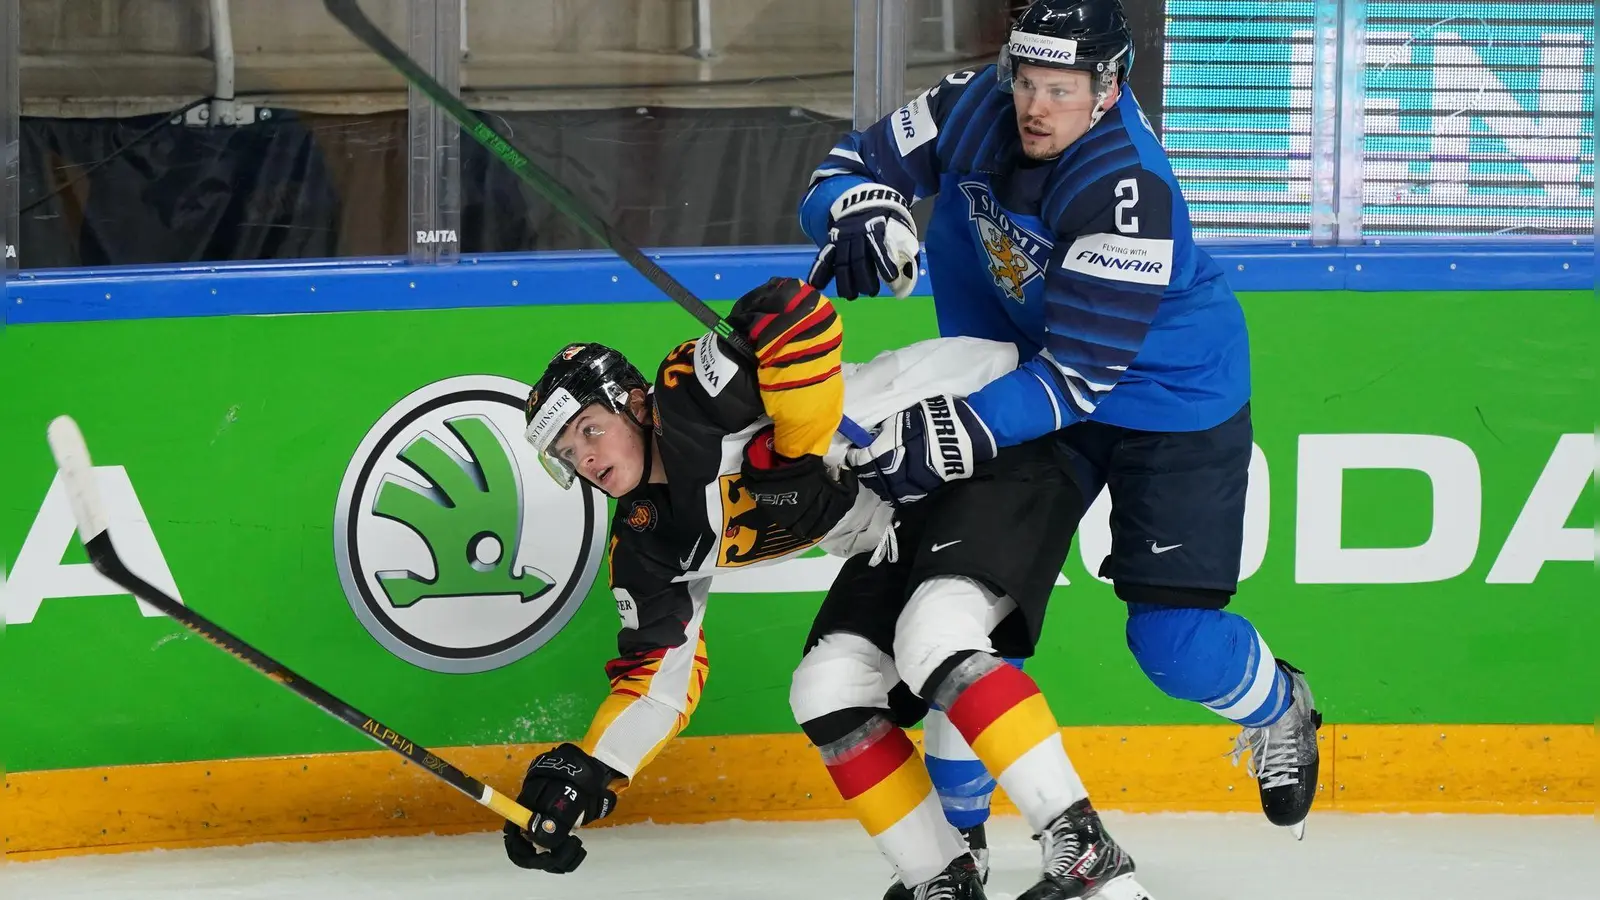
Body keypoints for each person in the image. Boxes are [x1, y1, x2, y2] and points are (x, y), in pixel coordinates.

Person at [798, 0, 1324, 874]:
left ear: (1108, 90)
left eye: (1063, 90)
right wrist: (859, 210)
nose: (1037, 108)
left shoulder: (1127, 188)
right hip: (1018, 376)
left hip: (1166, 401)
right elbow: (850, 162)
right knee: (956, 606)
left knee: (1172, 642)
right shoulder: (975, 103)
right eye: (1029, 83)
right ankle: (960, 838)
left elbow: (1080, 378)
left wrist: (953, 430)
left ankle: (1277, 704)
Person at [501, 276, 1093, 899]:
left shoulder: (690, 399)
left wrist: (796, 454)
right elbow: (655, 680)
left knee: (938, 645)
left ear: (636, 404)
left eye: (590, 430)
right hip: (904, 524)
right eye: (568, 453)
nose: (585, 459)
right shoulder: (649, 543)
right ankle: (944, 875)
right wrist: (591, 770)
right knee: (828, 688)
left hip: (985, 427)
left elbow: (795, 311)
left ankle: (1084, 849)